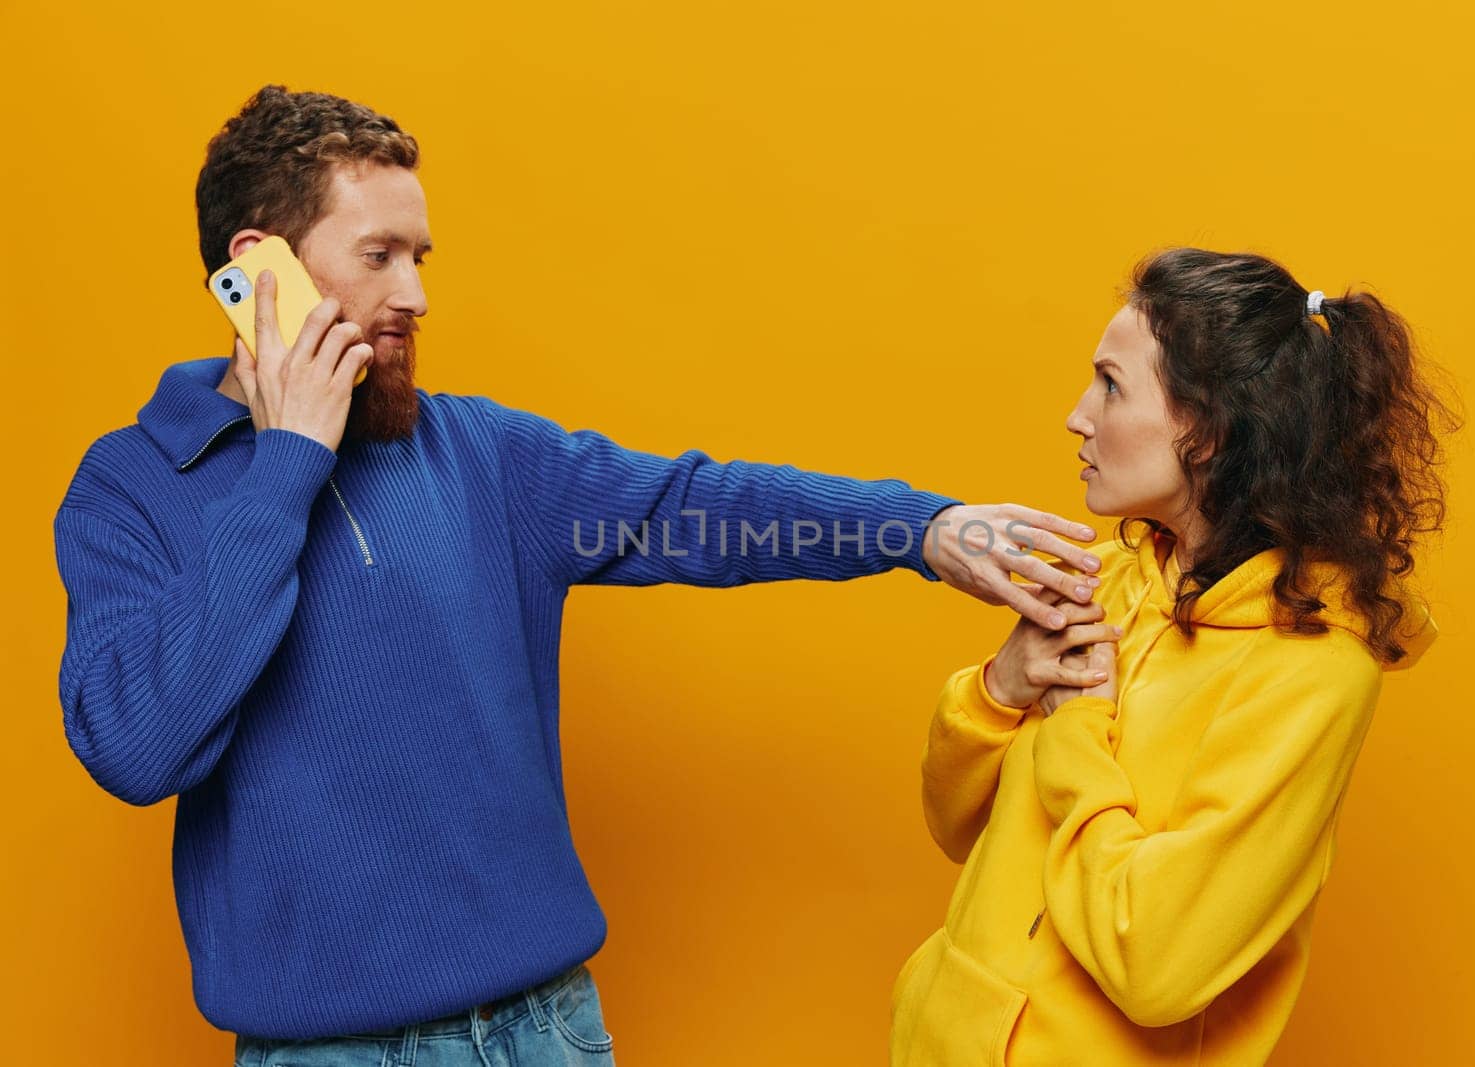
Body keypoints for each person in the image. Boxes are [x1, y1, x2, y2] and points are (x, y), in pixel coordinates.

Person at [50, 86, 1103, 1065]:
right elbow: (139, 744)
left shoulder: (480, 457)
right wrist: (287, 464)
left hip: (545, 1028)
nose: (414, 293)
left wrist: (923, 529)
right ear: (257, 268)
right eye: (378, 255)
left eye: (420, 256)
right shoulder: (135, 487)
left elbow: (698, 506)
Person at [890, 247, 1455, 1065]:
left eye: (1112, 385)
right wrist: (999, 690)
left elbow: (1155, 963)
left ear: (1209, 429)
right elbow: (954, 826)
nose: (1078, 416)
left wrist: (1078, 724)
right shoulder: (1108, 581)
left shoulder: (1315, 670)